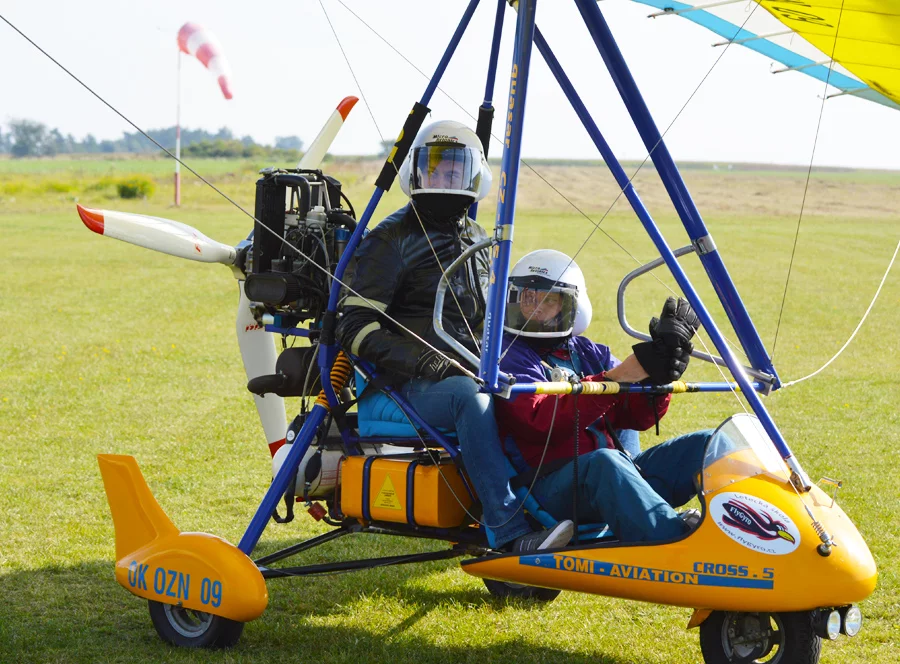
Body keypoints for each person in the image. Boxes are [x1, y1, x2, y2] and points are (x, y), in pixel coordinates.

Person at [335, 120, 573, 552]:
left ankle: (576, 504)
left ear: (472, 176)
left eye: (453, 170)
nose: (443, 178)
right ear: (416, 173)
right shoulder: (390, 240)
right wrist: (427, 362)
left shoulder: (478, 237)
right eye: (436, 168)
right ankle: (508, 531)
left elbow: (492, 319)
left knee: (564, 380)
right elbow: (352, 327)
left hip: (467, 372)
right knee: (472, 397)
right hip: (399, 388)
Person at [496, 249, 711, 543]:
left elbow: (637, 416)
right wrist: (613, 379)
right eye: (527, 297)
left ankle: (745, 531)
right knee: (606, 463)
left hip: (614, 474)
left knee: (711, 443)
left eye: (547, 299)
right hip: (551, 486)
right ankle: (676, 541)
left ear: (570, 306)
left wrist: (658, 377)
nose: (534, 307)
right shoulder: (508, 355)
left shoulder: (589, 352)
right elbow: (539, 421)